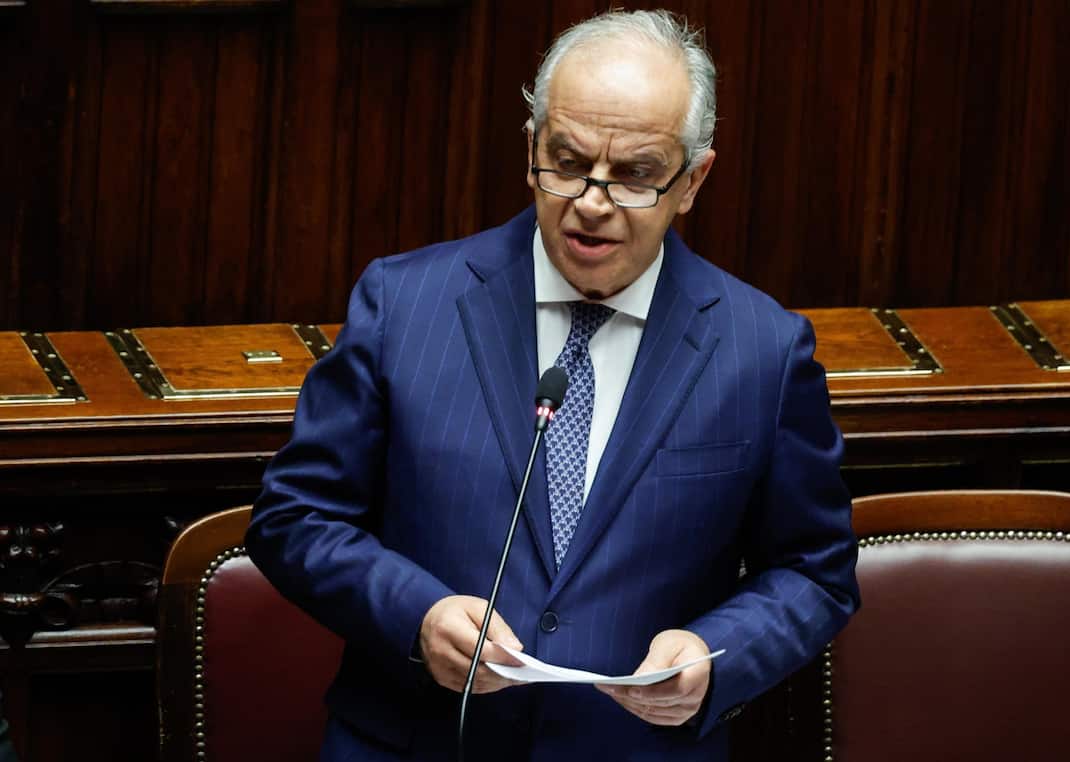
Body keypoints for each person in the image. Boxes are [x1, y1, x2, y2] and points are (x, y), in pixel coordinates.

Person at [246, 9, 858, 761]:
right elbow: (295, 517)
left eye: (635, 175)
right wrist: (417, 615)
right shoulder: (404, 306)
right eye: (566, 161)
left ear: (692, 181)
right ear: (531, 146)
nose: (592, 202)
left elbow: (814, 573)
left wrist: (715, 654)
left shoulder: (762, 349)